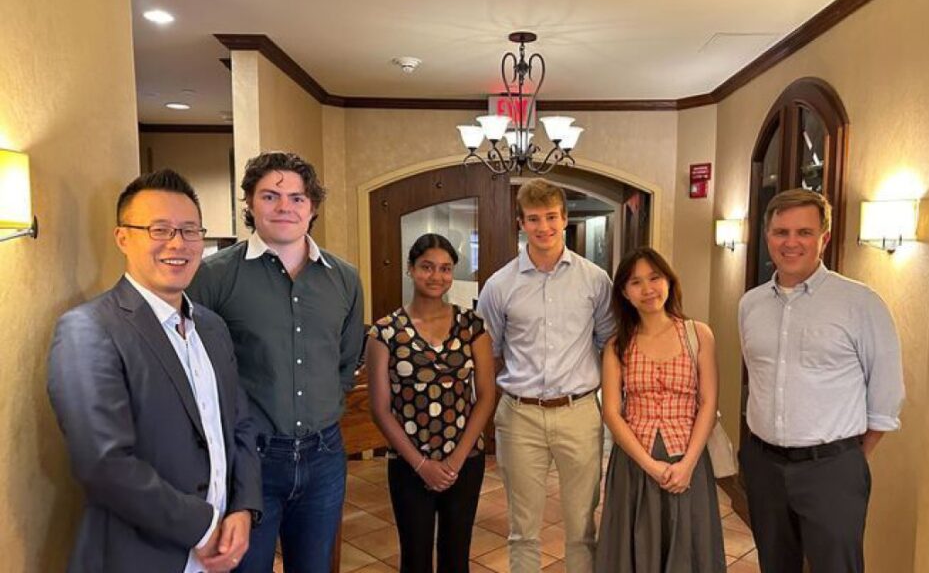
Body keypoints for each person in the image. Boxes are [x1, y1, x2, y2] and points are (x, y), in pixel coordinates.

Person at [47, 170, 262, 573]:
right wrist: (203, 527)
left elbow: (240, 426)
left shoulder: (212, 328)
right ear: (122, 237)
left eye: (189, 230)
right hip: (141, 555)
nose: (177, 243)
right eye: (159, 229)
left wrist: (244, 507)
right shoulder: (89, 329)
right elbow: (103, 464)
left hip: (219, 551)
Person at [187, 152, 364, 573]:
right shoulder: (213, 276)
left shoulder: (345, 278)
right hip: (251, 463)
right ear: (249, 202)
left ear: (313, 207)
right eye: (270, 195)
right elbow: (195, 369)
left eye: (297, 198)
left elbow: (346, 361)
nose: (285, 207)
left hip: (324, 457)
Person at [738, 189, 905, 573]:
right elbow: (759, 376)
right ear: (767, 237)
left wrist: (844, 459)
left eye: (804, 232)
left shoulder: (861, 303)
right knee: (775, 565)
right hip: (764, 464)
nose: (791, 242)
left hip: (831, 468)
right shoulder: (751, 305)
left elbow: (886, 396)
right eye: (781, 232)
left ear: (824, 238)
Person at [477, 179, 614, 573]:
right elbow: (491, 353)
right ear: (521, 223)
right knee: (522, 530)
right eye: (534, 219)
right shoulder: (500, 285)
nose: (544, 227)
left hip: (579, 413)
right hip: (520, 417)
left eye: (551, 217)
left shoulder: (594, 280)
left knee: (582, 528)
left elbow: (608, 344)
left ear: (565, 219)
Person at [365, 233, 497, 573]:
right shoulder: (385, 332)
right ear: (411, 269)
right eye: (427, 267)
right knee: (415, 556)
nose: (436, 276)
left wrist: (454, 461)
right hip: (409, 462)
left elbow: (485, 394)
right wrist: (421, 464)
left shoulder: (472, 326)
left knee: (457, 555)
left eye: (445, 268)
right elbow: (380, 408)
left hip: (464, 460)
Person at [596, 247, 726, 572]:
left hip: (688, 459)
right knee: (635, 546)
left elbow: (709, 402)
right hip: (634, 463)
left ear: (669, 281)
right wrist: (650, 466)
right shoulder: (617, 345)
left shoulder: (698, 334)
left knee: (688, 546)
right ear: (625, 293)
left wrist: (687, 465)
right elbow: (611, 411)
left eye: (654, 278)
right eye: (636, 282)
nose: (648, 289)